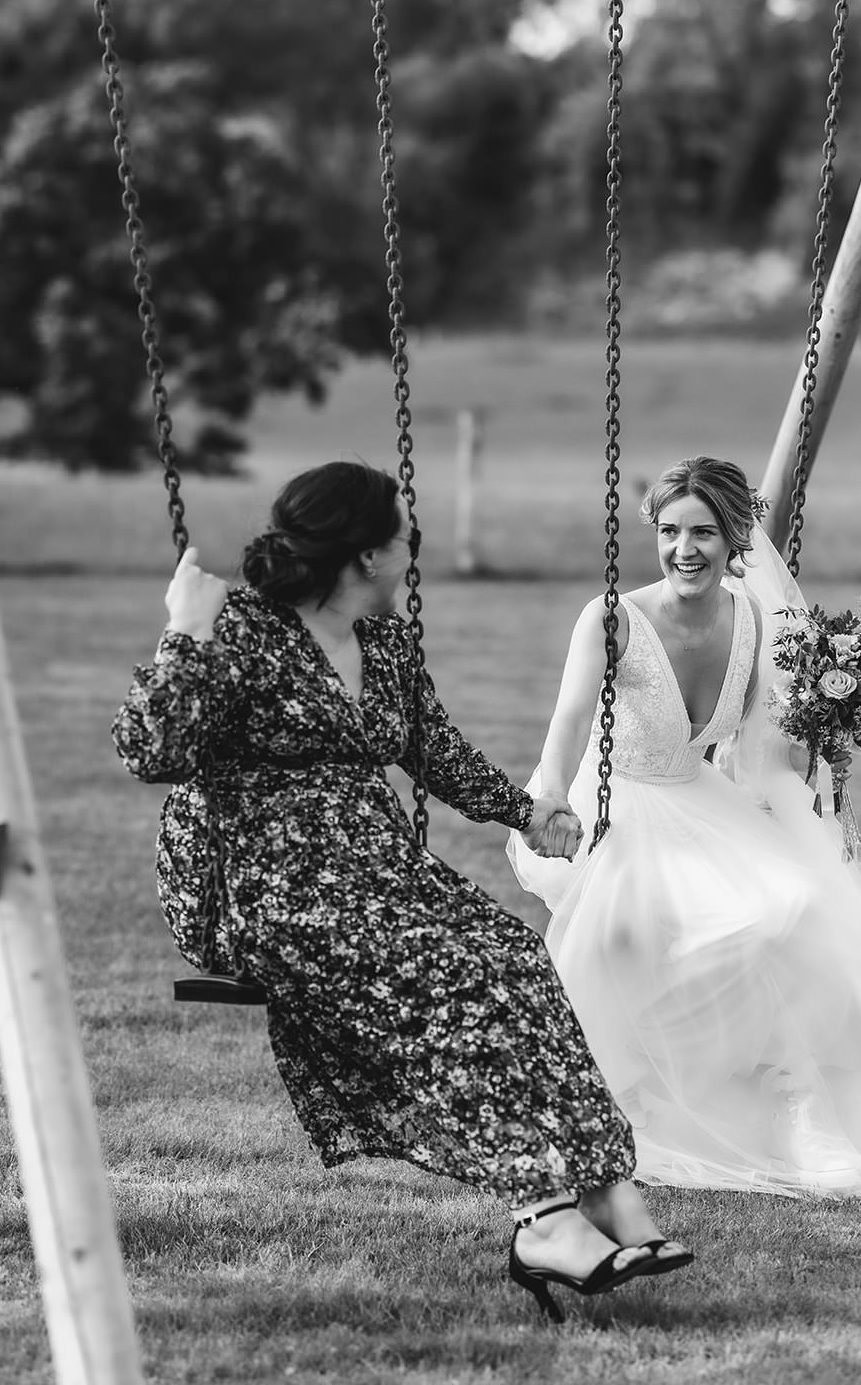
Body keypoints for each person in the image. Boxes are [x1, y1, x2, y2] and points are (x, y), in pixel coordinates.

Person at [112, 461, 692, 1321]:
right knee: (447, 979)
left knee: (509, 959)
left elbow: (435, 751)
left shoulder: (382, 646)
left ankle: (609, 1193)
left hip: (373, 870)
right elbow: (148, 752)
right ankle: (542, 1217)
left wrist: (527, 812)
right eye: (401, 537)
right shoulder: (236, 630)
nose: (409, 552)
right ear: (368, 555)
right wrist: (182, 633)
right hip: (260, 889)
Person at [509, 455, 861, 1199]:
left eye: (703, 534)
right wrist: (548, 798)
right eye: (669, 531)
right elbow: (568, 720)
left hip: (698, 796)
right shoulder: (612, 618)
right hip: (619, 801)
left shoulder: (748, 621)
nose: (683, 549)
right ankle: (691, 1097)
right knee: (732, 923)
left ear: (733, 542)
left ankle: (799, 1105)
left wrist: (823, 731)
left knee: (802, 910)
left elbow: (758, 740)